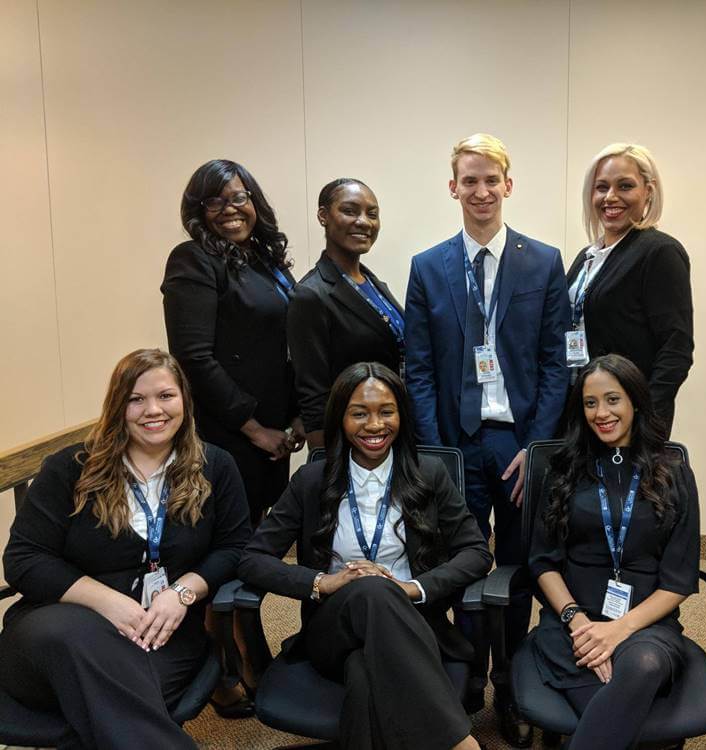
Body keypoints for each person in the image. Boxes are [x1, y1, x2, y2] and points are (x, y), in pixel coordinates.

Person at [404, 133, 571, 746]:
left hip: (521, 442)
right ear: (453, 187)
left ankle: (512, 684)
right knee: (459, 564)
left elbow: (557, 362)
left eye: (490, 180)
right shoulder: (427, 266)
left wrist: (540, 444)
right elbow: (417, 369)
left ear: (508, 184)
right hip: (454, 443)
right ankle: (470, 677)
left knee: (524, 562)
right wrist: (433, 451)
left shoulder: (544, 260)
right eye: (467, 181)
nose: (480, 191)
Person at [0, 349, 250, 750]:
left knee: (101, 719)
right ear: (118, 405)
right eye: (136, 399)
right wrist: (108, 604)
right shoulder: (70, 469)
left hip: (160, 635)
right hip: (54, 634)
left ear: (185, 399)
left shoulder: (215, 466)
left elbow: (235, 547)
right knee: (73, 638)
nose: (153, 410)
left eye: (165, 396)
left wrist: (182, 593)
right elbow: (23, 559)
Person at [239, 362, 491, 750]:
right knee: (371, 590)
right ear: (341, 418)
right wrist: (324, 582)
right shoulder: (312, 481)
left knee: (364, 672)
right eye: (360, 413)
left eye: (386, 411)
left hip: (413, 624)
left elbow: (476, 551)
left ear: (401, 415)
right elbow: (253, 559)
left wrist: (412, 588)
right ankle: (459, 742)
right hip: (332, 627)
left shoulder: (429, 474)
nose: (375, 425)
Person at [528, 354, 700, 750]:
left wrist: (619, 629)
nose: (601, 413)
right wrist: (579, 623)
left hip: (646, 625)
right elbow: (543, 561)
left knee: (642, 666)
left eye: (612, 400)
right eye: (590, 403)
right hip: (573, 626)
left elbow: (679, 579)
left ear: (635, 402)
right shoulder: (564, 469)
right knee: (624, 724)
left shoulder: (672, 471)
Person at [162, 158, 303, 527]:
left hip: (273, 429)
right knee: (231, 540)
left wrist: (297, 416)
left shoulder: (262, 259)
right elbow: (193, 358)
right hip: (229, 433)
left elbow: (285, 342)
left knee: (256, 531)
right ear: (199, 211)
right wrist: (255, 430)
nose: (230, 210)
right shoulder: (192, 260)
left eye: (238, 197)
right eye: (215, 202)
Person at [564, 143, 693, 437]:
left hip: (628, 425)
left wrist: (647, 422)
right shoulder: (588, 256)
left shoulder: (659, 252)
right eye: (601, 187)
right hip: (584, 415)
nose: (611, 197)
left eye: (625, 186)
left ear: (648, 190)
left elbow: (676, 349)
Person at [288, 178, 404, 452]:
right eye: (350, 211)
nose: (364, 221)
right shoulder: (311, 294)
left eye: (372, 214)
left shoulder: (373, 284)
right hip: (347, 444)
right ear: (323, 216)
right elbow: (312, 390)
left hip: (386, 432)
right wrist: (324, 461)